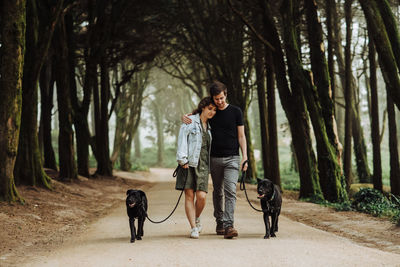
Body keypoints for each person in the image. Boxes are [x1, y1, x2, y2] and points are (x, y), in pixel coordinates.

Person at [183, 80, 248, 239]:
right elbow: (197, 117)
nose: (219, 102)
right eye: (216, 99)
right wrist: (185, 116)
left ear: (226, 94)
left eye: (221, 98)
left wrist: (245, 156)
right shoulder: (211, 112)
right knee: (218, 192)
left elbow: (241, 135)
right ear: (212, 98)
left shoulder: (236, 111)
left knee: (230, 190)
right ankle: (219, 221)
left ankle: (228, 225)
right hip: (213, 158)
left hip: (233, 157)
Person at [176, 96, 217, 239]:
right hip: (189, 163)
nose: (212, 112)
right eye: (210, 109)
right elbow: (182, 139)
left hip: (204, 165)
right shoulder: (190, 121)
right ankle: (193, 227)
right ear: (203, 108)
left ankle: (197, 217)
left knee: (202, 196)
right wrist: (182, 159)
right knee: (189, 195)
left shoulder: (212, 125)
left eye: (214, 110)